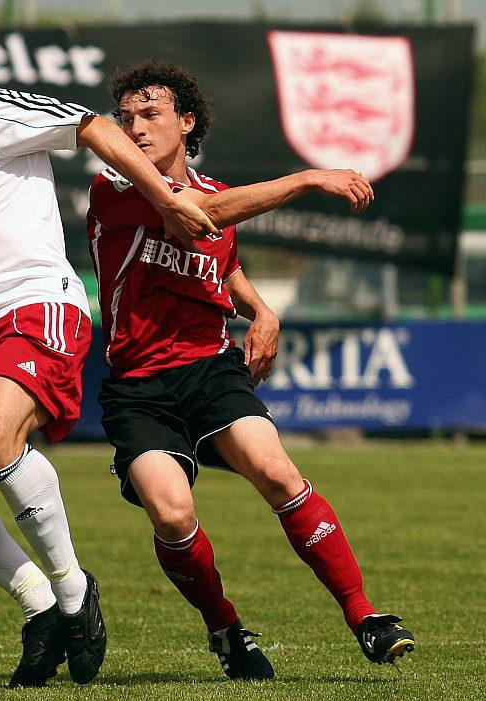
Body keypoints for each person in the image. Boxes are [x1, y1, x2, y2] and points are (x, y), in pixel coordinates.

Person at [0, 17, 217, 689]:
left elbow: (93, 127)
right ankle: (41, 603)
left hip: (37, 307)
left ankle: (75, 594)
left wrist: (165, 199)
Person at [87, 60, 415, 681]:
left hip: (211, 369)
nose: (135, 128)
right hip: (138, 387)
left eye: (150, 114)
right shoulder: (117, 189)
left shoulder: (211, 189)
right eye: (125, 118)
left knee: (279, 473)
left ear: (187, 123)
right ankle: (227, 630)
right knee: (173, 515)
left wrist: (262, 311)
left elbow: (224, 263)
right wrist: (309, 178)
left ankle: (366, 617)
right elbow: (205, 215)